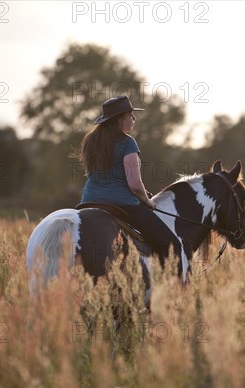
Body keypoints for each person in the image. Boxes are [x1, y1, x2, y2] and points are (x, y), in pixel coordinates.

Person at [79, 95, 184, 273]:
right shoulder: (128, 143)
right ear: (120, 119)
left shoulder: (90, 141)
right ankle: (176, 293)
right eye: (130, 115)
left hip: (88, 201)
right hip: (122, 204)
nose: (134, 119)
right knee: (172, 244)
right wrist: (148, 201)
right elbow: (134, 184)